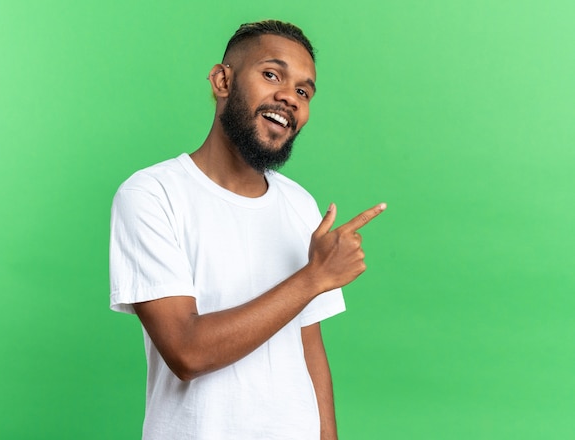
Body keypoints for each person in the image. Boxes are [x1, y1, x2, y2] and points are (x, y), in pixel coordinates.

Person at [109, 19, 386, 440]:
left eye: (303, 91)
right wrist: (314, 277)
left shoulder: (299, 204)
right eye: (272, 74)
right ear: (222, 80)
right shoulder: (152, 194)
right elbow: (186, 351)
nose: (288, 98)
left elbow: (309, 350)